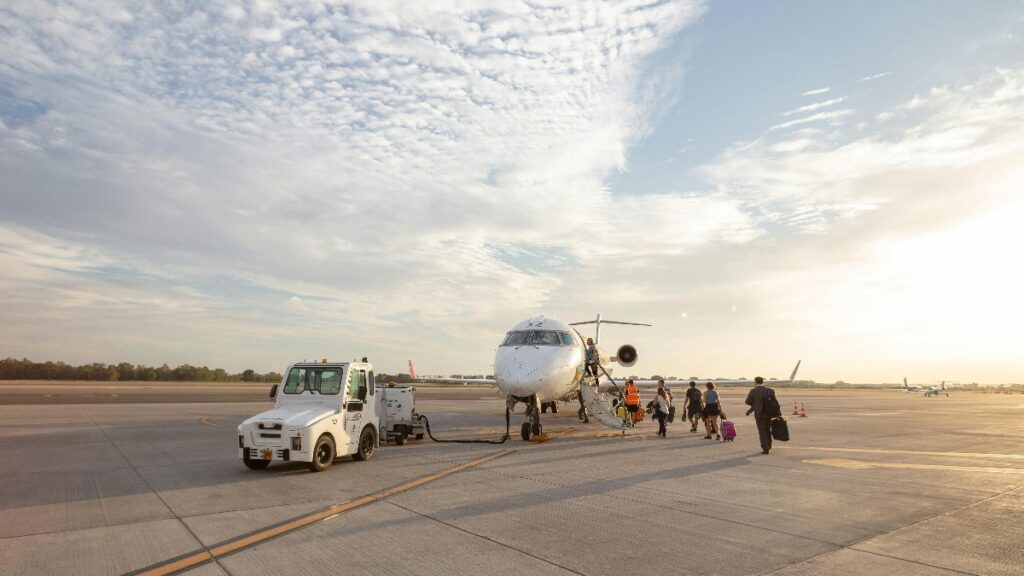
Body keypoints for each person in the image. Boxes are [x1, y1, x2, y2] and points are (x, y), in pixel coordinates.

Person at [745, 376, 781, 454]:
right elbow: (775, 403)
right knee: (767, 430)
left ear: (755, 382)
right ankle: (769, 445)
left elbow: (747, 401)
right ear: (762, 382)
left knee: (762, 431)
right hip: (769, 414)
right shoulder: (769, 390)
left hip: (759, 415)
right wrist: (778, 413)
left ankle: (765, 448)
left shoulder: (753, 391)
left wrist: (755, 404)